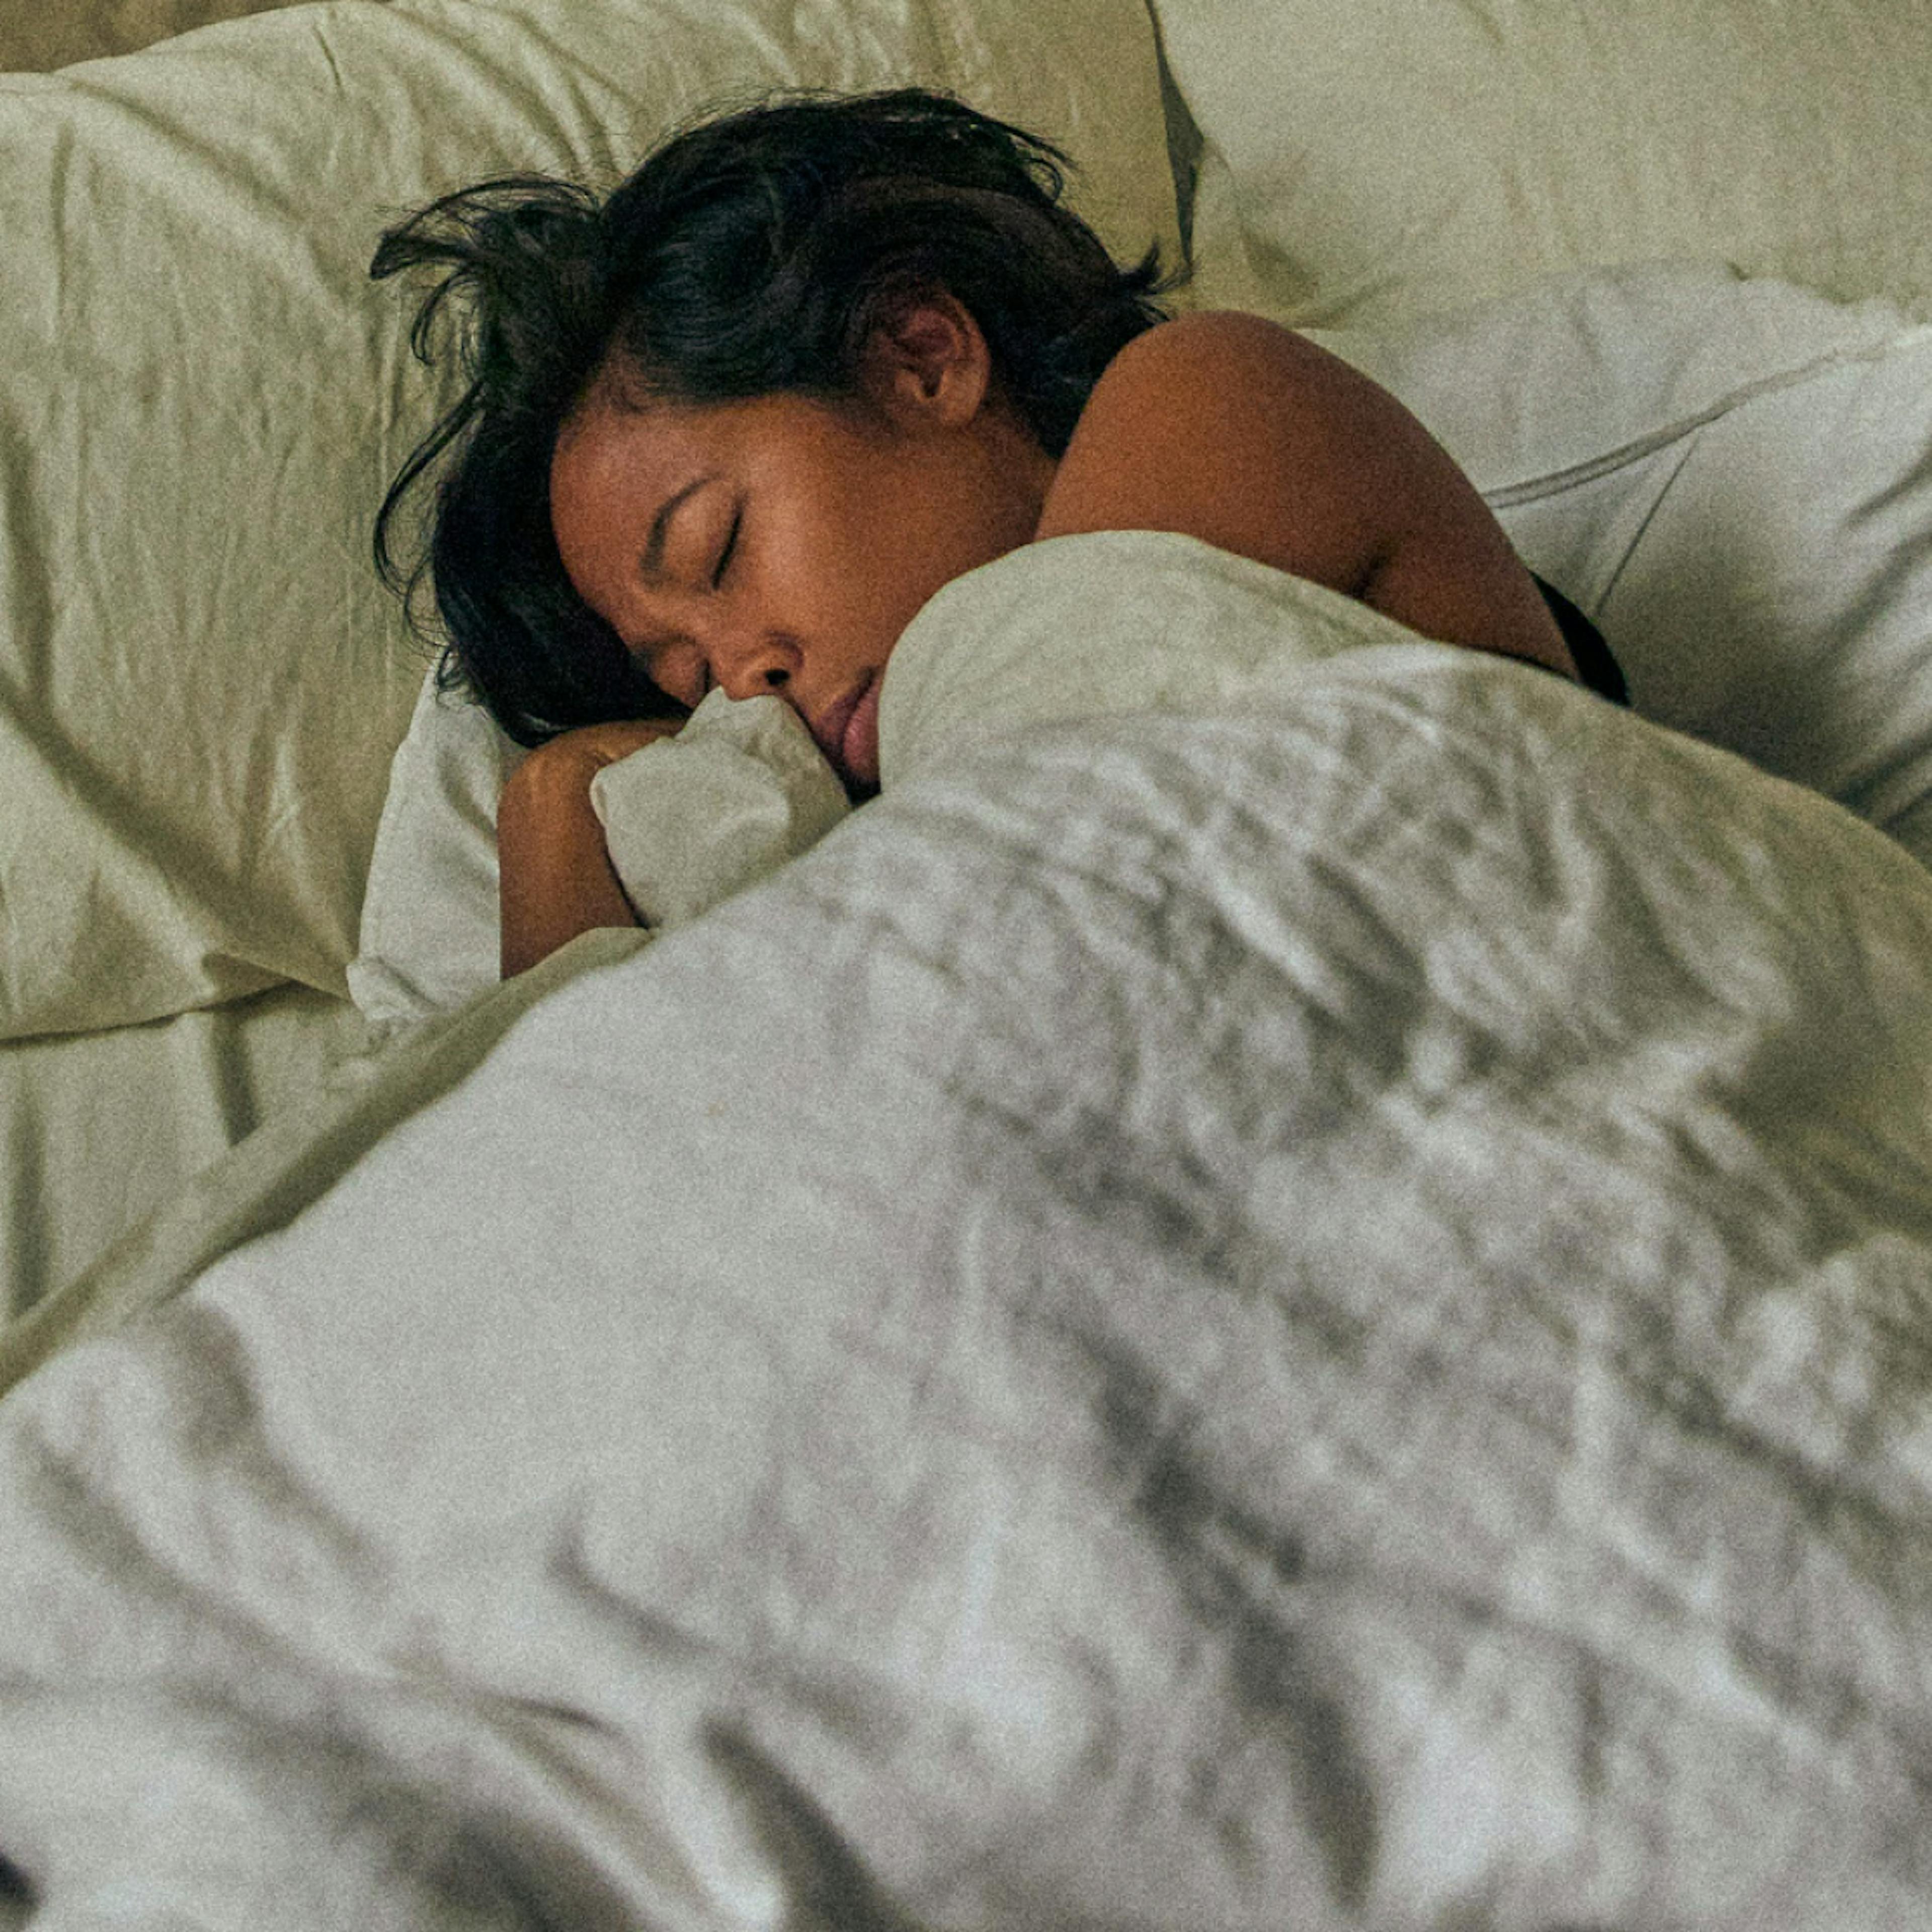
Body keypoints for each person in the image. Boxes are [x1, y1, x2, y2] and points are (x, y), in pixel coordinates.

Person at [371, 88, 1623, 979]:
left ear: (922, 359)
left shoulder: (1203, 399)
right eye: (685, 676)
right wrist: (553, 809)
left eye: (718, 550)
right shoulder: (889, 815)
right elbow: (577, 1174)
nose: (742, 680)